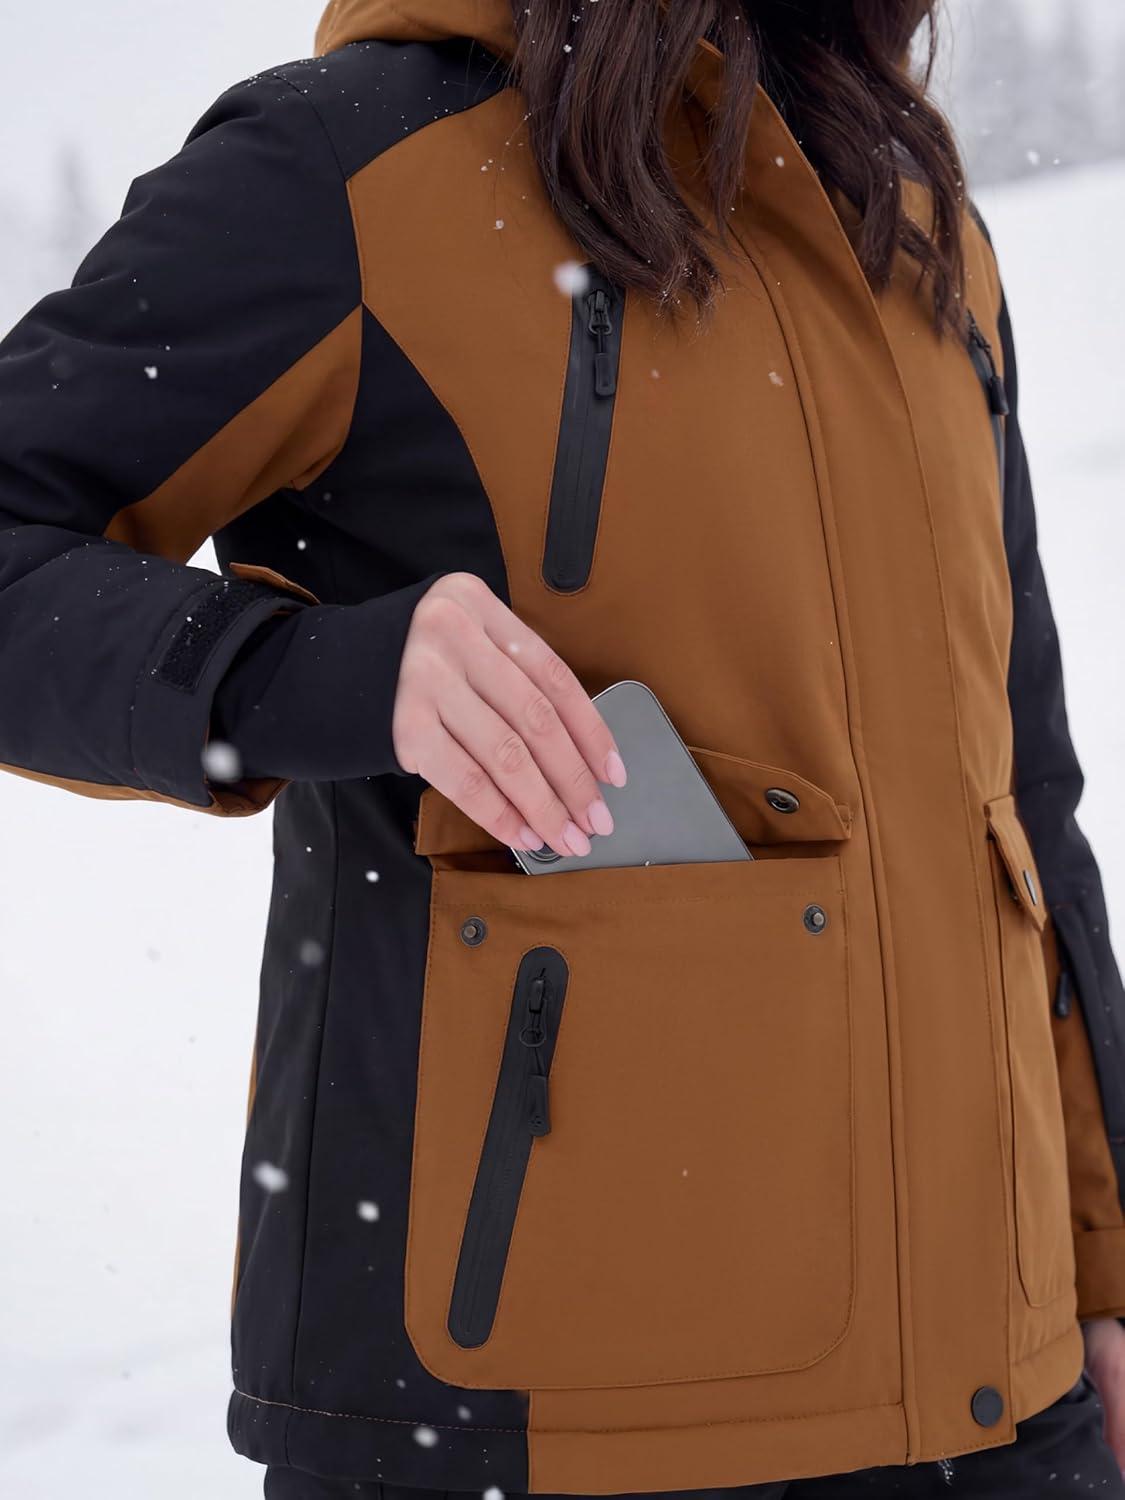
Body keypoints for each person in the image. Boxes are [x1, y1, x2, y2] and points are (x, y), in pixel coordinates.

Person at [2, 0, 1125, 1495]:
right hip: (536, 1421)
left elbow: (1020, 794)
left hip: (1001, 1408)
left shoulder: (912, 215)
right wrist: (311, 673)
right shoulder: (349, 167)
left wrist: (1100, 1262)